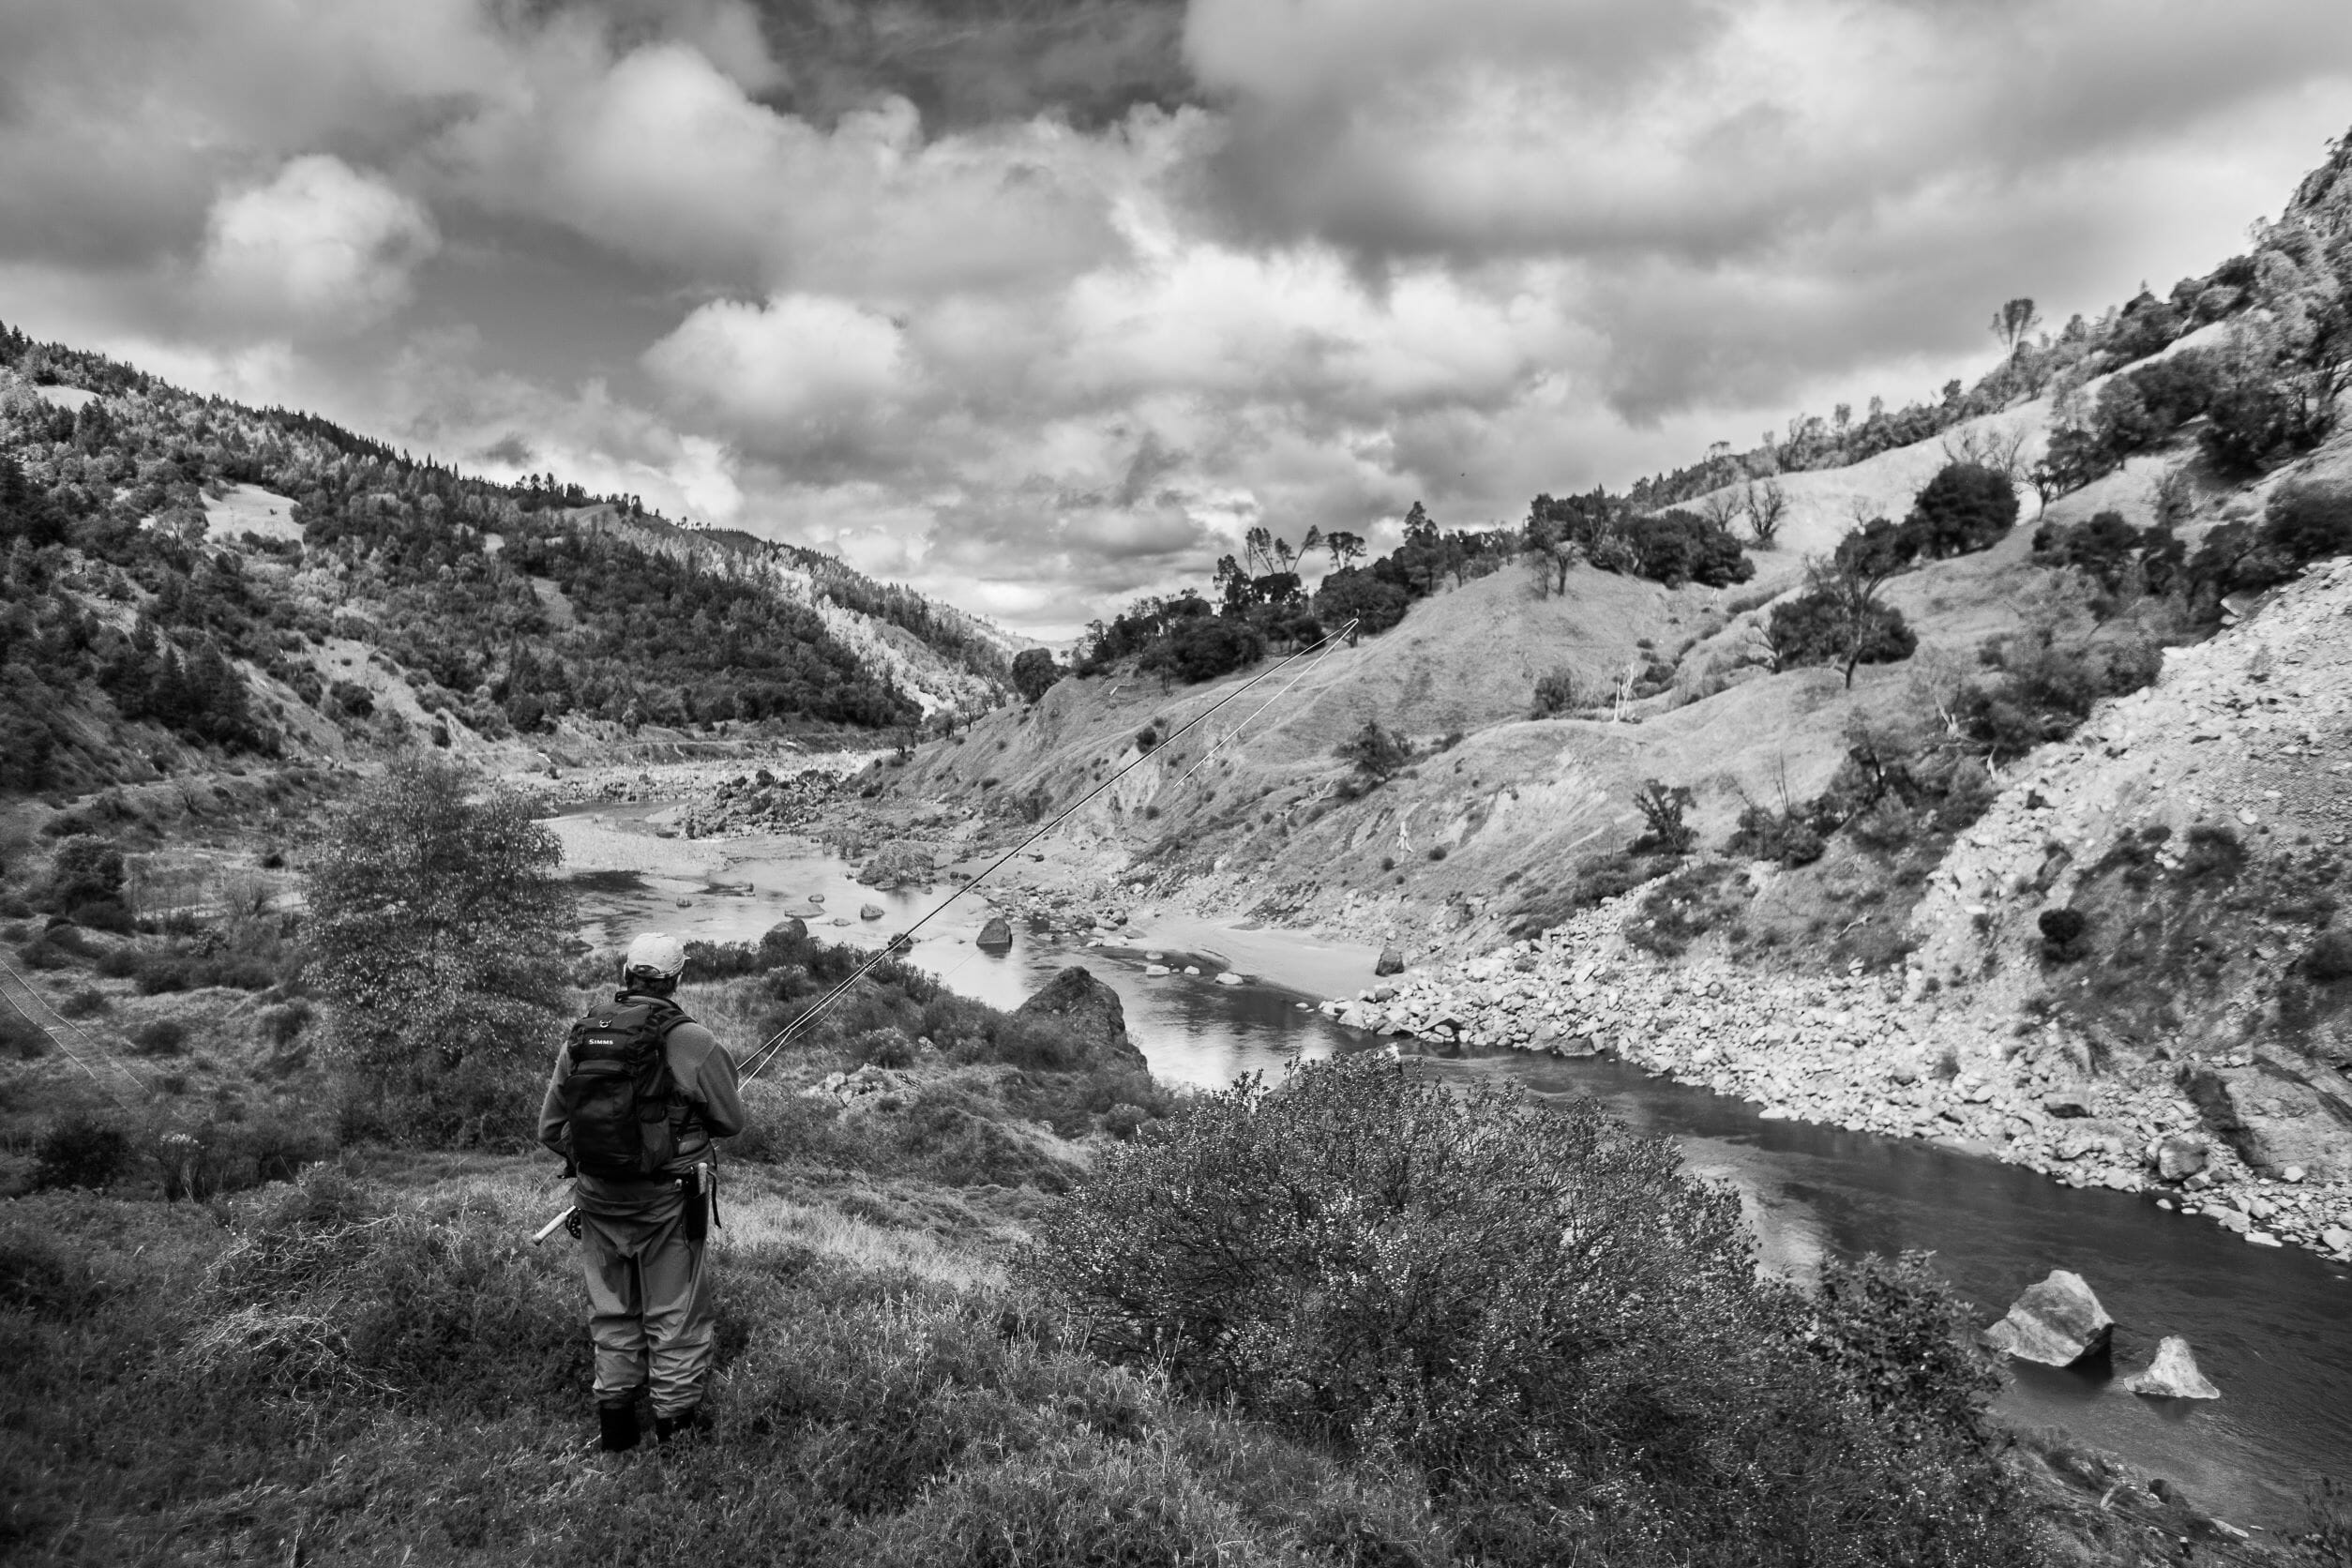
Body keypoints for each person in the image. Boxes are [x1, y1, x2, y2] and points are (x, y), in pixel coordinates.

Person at [539, 931, 747, 1453]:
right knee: (675, 1314)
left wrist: (600, 1160)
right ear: (678, 978)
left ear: (625, 974)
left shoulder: (582, 1036)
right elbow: (730, 1122)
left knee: (612, 1311)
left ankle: (617, 1430)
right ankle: (675, 1432)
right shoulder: (694, 1040)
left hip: (596, 1198)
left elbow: (550, 1129)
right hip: (669, 1203)